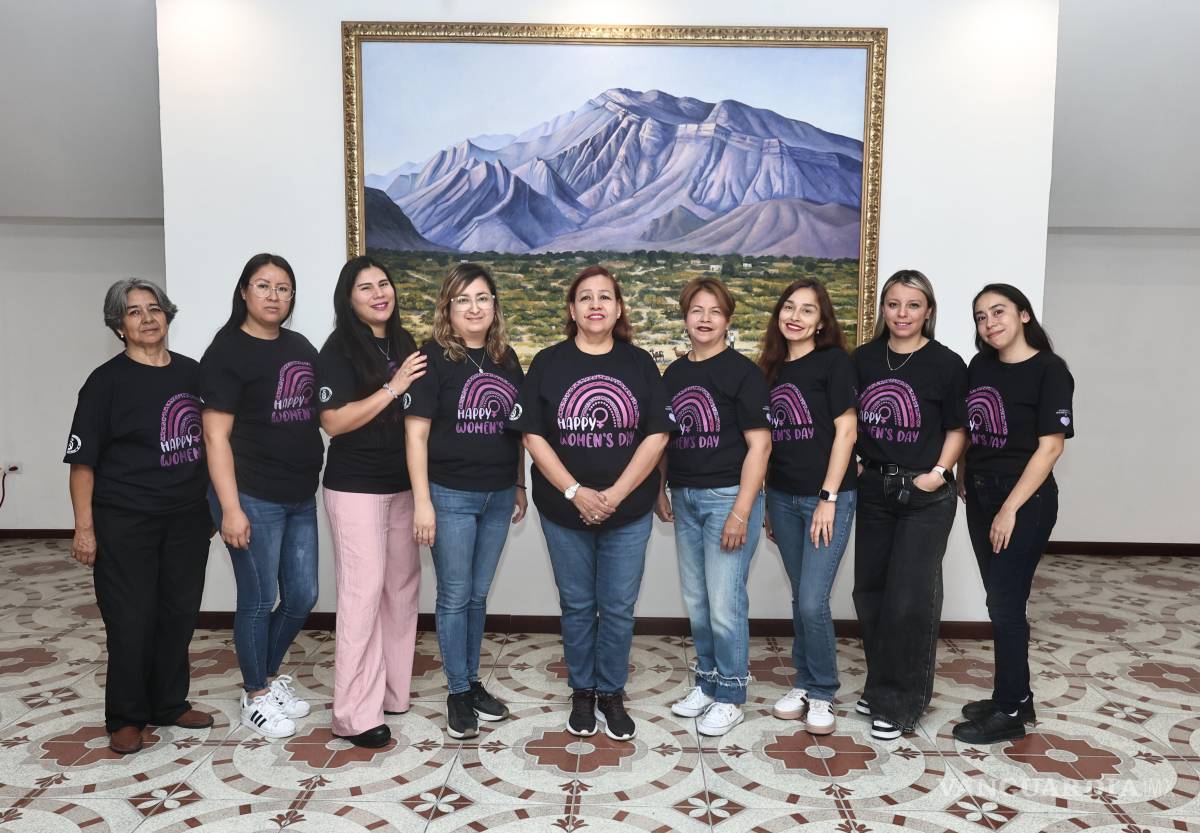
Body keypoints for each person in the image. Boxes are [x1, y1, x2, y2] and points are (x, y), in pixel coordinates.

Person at [511, 265, 672, 742]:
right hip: (564, 510)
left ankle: (611, 692)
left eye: (605, 297)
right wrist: (575, 492)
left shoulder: (639, 363)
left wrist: (616, 494)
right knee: (578, 604)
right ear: (572, 309)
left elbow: (657, 433)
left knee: (619, 607)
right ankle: (582, 690)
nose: (595, 305)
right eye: (585, 297)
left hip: (629, 510)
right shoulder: (548, 362)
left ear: (619, 308)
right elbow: (532, 434)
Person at [64, 279, 213, 754]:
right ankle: (126, 716)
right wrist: (84, 529)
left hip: (187, 519)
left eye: (155, 309)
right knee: (131, 620)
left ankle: (169, 703)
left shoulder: (193, 375)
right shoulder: (104, 383)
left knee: (179, 615)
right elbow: (82, 464)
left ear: (167, 315)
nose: (148, 318)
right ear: (119, 326)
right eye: (134, 312)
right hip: (125, 521)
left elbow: (213, 444)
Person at [201, 253, 322, 740]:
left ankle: (266, 679)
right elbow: (215, 439)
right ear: (244, 293)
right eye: (264, 286)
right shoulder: (227, 352)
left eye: (284, 288)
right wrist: (230, 508)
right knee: (258, 599)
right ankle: (255, 695)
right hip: (251, 495)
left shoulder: (301, 346)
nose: (274, 296)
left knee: (302, 596)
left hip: (299, 493)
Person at [405, 263, 526, 740]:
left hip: (498, 495)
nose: (473, 308)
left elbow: (517, 430)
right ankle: (457, 692)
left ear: (494, 305)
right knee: (454, 596)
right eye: (463, 300)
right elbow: (415, 437)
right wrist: (422, 503)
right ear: (447, 309)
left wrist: (519, 485)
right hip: (449, 495)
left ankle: (473, 683)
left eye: (482, 298)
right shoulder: (431, 358)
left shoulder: (505, 357)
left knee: (477, 595)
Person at [952, 284, 1073, 744]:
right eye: (981, 317)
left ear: (1023, 315)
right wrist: (964, 472)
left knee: (1005, 607)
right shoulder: (981, 366)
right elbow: (971, 426)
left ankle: (1009, 713)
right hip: (982, 495)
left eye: (998, 312)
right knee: (1000, 602)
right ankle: (1016, 696)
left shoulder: (1049, 371)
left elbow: (1051, 448)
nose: (990, 323)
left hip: (1024, 501)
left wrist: (1009, 509)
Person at [852, 269, 967, 741]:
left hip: (925, 495)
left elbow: (959, 428)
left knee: (908, 600)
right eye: (894, 304)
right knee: (871, 593)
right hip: (875, 490)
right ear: (883, 309)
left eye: (912, 305)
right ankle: (882, 684)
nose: (902, 314)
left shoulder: (946, 363)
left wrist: (937, 474)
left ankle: (901, 702)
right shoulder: (862, 360)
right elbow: (847, 421)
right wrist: (859, 463)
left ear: (929, 311)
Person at [317, 255, 427, 748]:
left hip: (402, 485)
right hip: (354, 485)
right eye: (366, 288)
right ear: (349, 299)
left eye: (384, 284)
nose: (380, 293)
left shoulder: (406, 344)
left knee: (401, 592)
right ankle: (353, 714)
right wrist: (392, 387)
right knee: (362, 596)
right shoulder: (338, 349)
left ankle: (391, 694)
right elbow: (334, 421)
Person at [656, 277, 770, 736]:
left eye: (715, 311)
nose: (704, 319)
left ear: (728, 319)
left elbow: (760, 447)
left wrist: (741, 511)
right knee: (699, 602)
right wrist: (661, 490)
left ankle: (731, 694)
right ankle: (706, 681)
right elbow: (665, 441)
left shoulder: (743, 373)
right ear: (685, 317)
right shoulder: (674, 374)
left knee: (726, 604)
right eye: (696, 310)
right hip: (685, 497)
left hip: (729, 497)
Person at [757, 279, 858, 736]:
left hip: (826, 499)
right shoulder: (771, 369)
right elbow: (766, 444)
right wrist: (764, 504)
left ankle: (823, 691)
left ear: (822, 322)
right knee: (802, 597)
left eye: (808, 310)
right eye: (789, 307)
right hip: (781, 497)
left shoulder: (834, 363)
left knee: (814, 600)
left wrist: (828, 497)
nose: (795, 316)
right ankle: (802, 681)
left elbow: (846, 432)